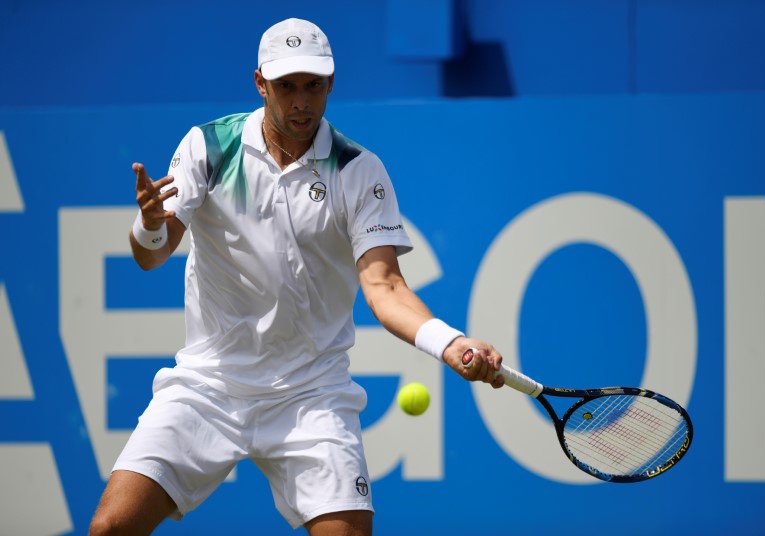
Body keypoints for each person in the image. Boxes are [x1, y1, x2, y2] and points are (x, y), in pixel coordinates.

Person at [89, 17, 505, 536]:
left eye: (313, 86)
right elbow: (151, 256)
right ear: (260, 83)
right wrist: (151, 225)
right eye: (286, 87)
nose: (301, 102)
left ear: (331, 83)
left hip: (311, 394)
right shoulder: (210, 148)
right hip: (209, 385)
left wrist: (451, 342)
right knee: (110, 528)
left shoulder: (358, 170)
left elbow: (386, 287)